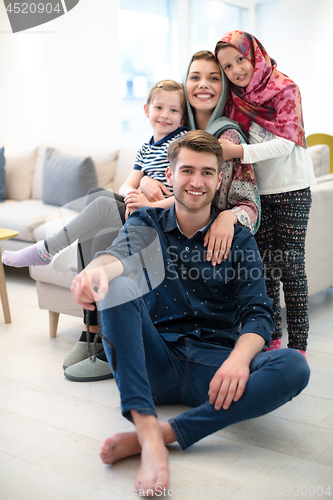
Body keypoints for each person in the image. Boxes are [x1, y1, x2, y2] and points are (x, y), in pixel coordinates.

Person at [70, 130, 310, 496]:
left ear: (218, 180)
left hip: (214, 371)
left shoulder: (239, 240)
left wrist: (239, 361)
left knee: (293, 366)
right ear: (170, 175)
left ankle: (165, 433)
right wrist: (96, 272)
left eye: (207, 173)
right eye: (187, 170)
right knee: (116, 287)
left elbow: (259, 313)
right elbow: (119, 256)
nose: (196, 182)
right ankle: (148, 432)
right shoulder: (146, 224)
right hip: (155, 360)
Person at [214, 31, 316, 357]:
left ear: (254, 55)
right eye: (227, 67)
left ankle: (298, 346)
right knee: (265, 270)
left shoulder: (286, 88)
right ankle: (271, 339)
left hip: (291, 189)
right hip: (257, 195)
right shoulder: (235, 98)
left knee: (291, 268)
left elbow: (287, 143)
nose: (235, 71)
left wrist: (238, 152)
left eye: (240, 60)